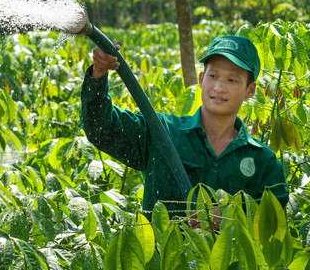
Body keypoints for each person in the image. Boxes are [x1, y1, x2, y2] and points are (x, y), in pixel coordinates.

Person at [81, 34, 289, 218]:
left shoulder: (264, 162)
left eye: (232, 80)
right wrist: (99, 73)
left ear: (250, 90)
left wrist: (227, 218)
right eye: (213, 76)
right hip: (162, 260)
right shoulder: (162, 131)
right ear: (201, 79)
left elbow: (272, 222)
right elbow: (102, 130)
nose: (218, 87)